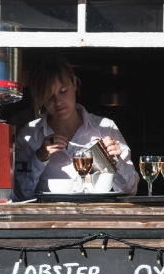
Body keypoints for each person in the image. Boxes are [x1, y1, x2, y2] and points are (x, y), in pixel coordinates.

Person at [14, 56, 139, 200]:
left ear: (74, 83)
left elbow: (131, 191)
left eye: (63, 91)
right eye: (48, 96)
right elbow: (19, 196)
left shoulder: (105, 128)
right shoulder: (28, 135)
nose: (58, 101)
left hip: (98, 218)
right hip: (50, 220)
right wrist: (39, 157)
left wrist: (116, 161)